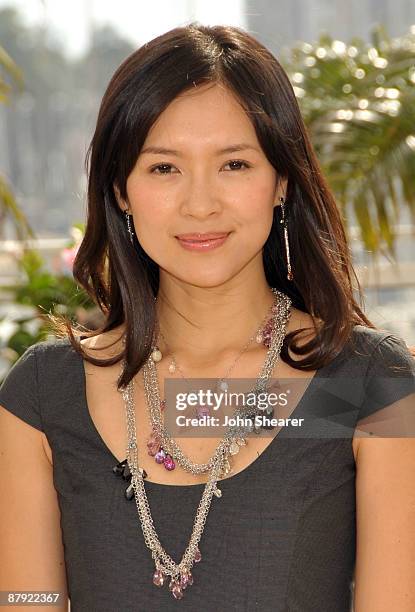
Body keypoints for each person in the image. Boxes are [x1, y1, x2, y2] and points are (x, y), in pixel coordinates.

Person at [1, 23, 414, 612]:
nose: (200, 203)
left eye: (235, 164)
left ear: (281, 182)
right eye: (164, 168)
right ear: (120, 189)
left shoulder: (368, 389)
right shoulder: (44, 396)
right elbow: (26, 600)